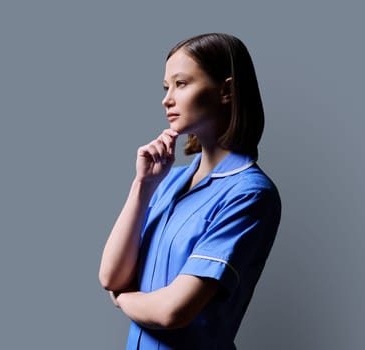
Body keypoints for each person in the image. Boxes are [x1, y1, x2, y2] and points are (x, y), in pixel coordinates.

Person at [98, 33, 281, 349]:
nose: (167, 99)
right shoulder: (168, 180)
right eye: (166, 87)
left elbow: (173, 312)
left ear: (226, 90)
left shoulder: (249, 194)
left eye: (181, 84)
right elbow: (111, 277)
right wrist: (143, 185)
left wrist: (123, 301)